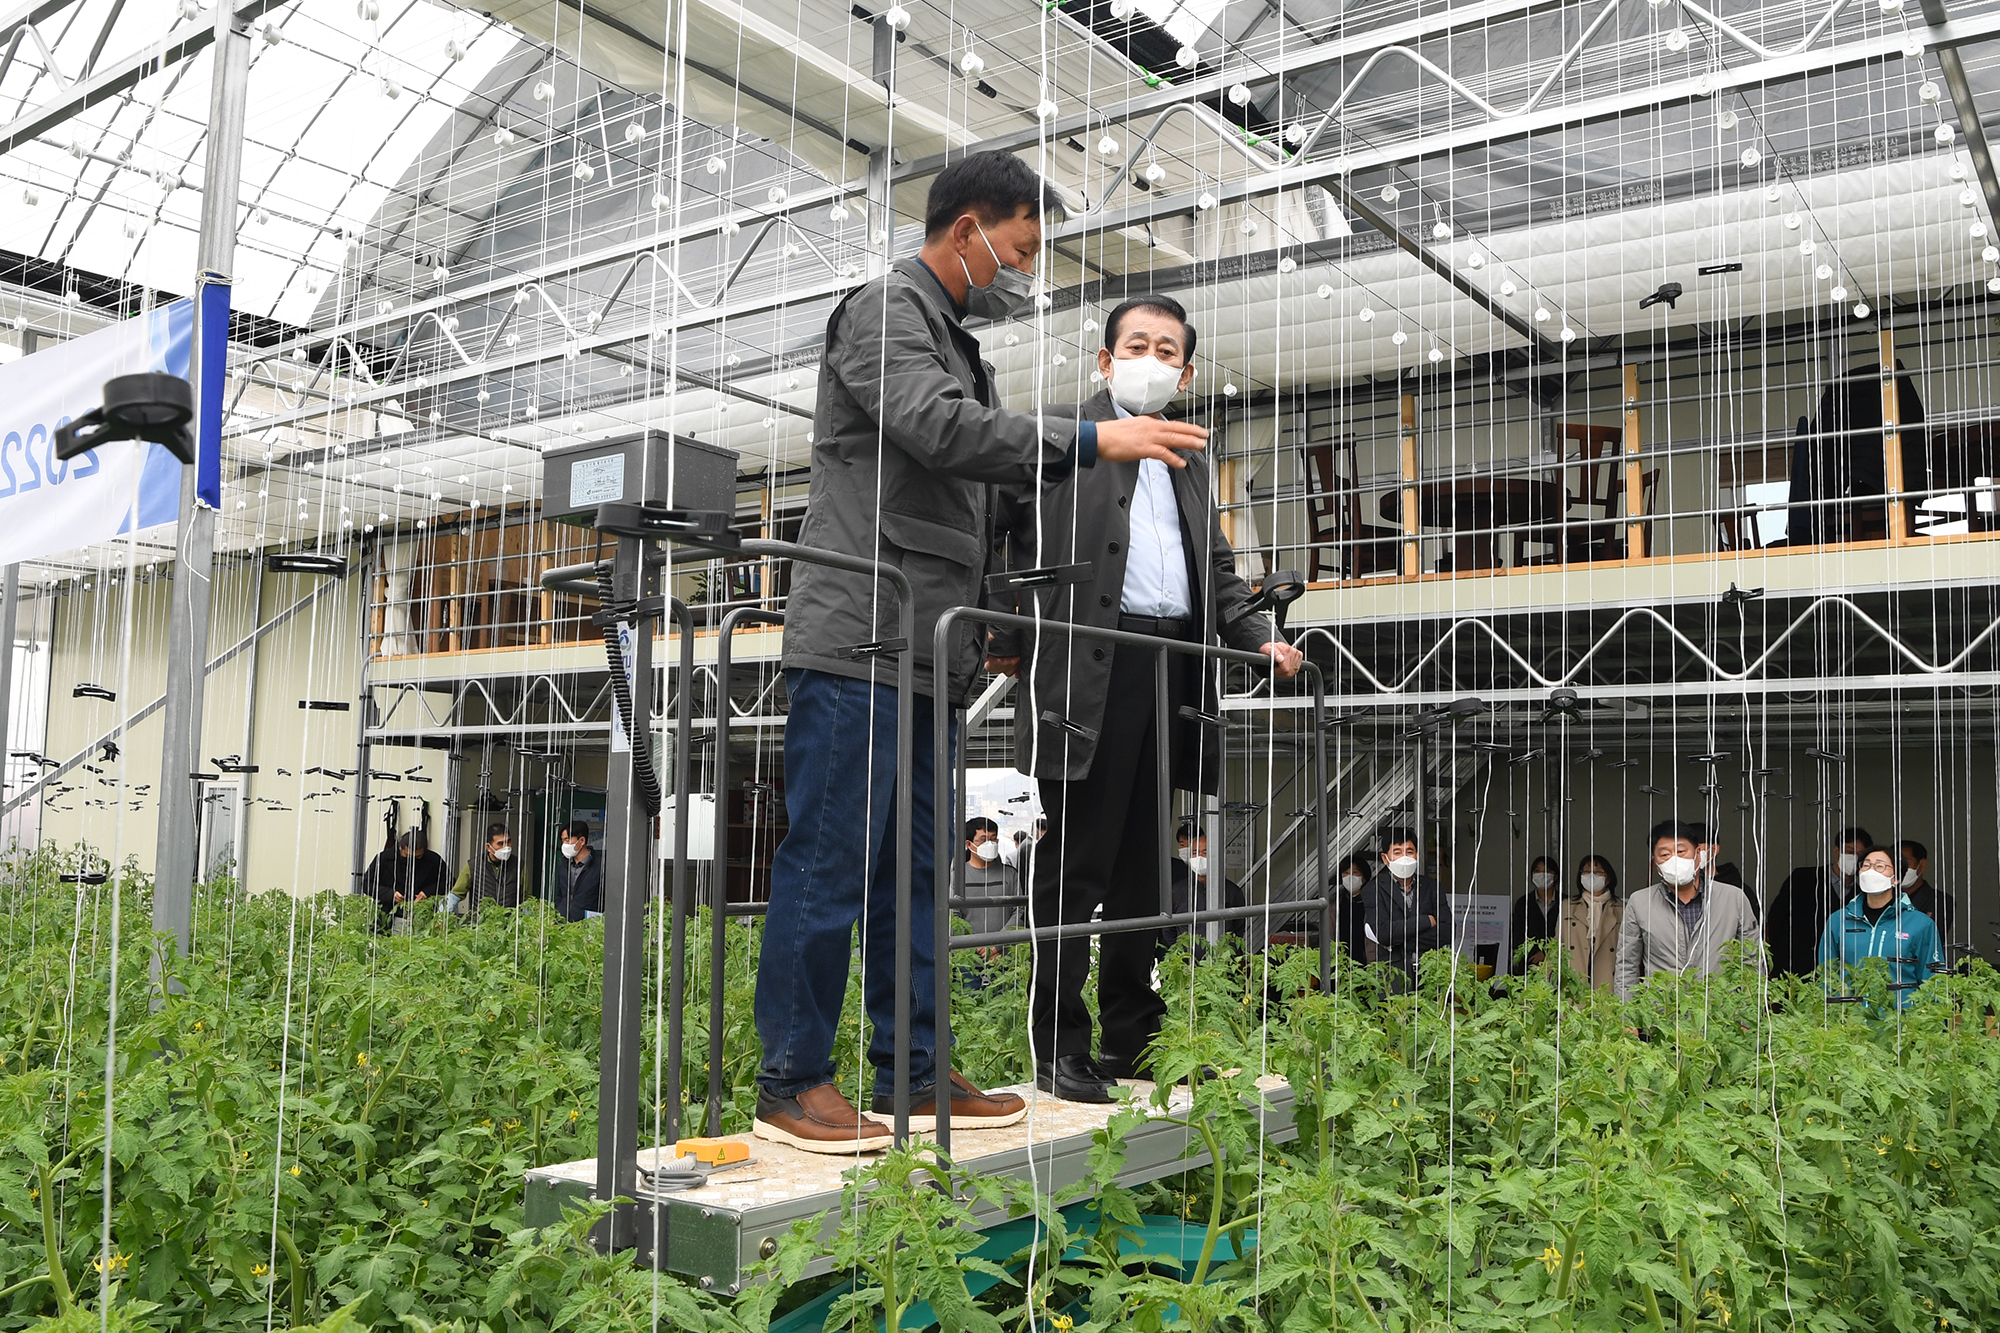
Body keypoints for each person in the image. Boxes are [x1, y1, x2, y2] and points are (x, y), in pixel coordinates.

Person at [753, 151, 1206, 1152]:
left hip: (928, 648)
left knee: (918, 875)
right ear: (967, 230)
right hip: (862, 633)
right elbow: (938, 431)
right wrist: (1087, 443)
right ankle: (789, 1079)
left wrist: (1004, 619)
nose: (1023, 269)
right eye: (1019, 248)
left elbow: (981, 501)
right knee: (831, 862)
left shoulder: (956, 343)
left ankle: (913, 1071)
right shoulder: (885, 311)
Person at [989, 292, 1302, 1103]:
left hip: (1171, 669)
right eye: (1137, 345)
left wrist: (1258, 637)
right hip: (1089, 669)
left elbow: (1219, 572)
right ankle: (1058, 1044)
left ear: (1186, 374)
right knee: (1074, 861)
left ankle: (1134, 1037)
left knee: (1144, 874)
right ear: (1105, 360)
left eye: (1168, 351)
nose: (1152, 361)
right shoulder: (1063, 435)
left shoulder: (1190, 460)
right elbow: (996, 525)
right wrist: (1004, 630)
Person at [1614, 819, 1763, 999]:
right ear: (1655, 862)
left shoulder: (1733, 898)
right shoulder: (1640, 902)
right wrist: (1628, 1014)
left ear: (1698, 854)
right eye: (1665, 855)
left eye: (1681, 852)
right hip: (1662, 1011)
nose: (1674, 860)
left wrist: (1746, 1013)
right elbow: (1627, 966)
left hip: (1720, 1011)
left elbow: (1752, 960)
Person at [1816, 843, 1945, 1006]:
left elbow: (1933, 981)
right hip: (1850, 1018)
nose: (1871, 871)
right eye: (1866, 866)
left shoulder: (1920, 924)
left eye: (1879, 866)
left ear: (1896, 878)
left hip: (1901, 1019)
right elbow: (1827, 975)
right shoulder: (1838, 920)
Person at [1767, 825, 1871, 979]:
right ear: (1836, 851)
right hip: (1794, 970)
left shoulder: (1863, 894)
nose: (1854, 858)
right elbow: (1776, 919)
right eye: (1849, 852)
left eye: (1859, 854)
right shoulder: (1803, 878)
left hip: (1838, 974)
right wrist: (1778, 963)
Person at [1360, 827, 1451, 986]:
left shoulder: (1432, 887)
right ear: (1385, 858)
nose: (1404, 857)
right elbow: (1384, 933)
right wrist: (1425, 921)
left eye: (1409, 852)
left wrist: (1397, 942)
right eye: (1397, 852)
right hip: (1392, 978)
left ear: (1417, 855)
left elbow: (1447, 931)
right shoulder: (1373, 889)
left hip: (1429, 975)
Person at [1165, 822, 1247, 954]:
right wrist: (1181, 954)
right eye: (1195, 853)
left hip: (1222, 962)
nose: (1199, 858)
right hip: (1186, 962)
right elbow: (1168, 930)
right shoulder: (1177, 891)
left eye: (1205, 852)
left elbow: (1238, 929)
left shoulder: (1232, 892)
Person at [1558, 853, 1621, 990]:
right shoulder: (1567, 906)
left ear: (1608, 878)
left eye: (1598, 872)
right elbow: (1557, 947)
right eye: (1586, 871)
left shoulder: (1621, 909)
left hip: (1608, 980)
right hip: (1575, 981)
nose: (1592, 876)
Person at [365, 828, 448, 929]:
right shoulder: (384, 858)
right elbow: (367, 884)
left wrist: (428, 892)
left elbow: (449, 882)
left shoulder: (434, 860)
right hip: (386, 915)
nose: (413, 861)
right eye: (408, 856)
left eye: (418, 857)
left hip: (422, 916)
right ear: (400, 848)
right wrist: (391, 894)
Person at [957, 817, 1018, 935]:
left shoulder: (1010, 874)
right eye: (983, 840)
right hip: (968, 946)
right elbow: (953, 914)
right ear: (969, 844)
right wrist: (970, 941)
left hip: (1006, 944)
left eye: (993, 839)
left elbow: (1019, 910)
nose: (990, 844)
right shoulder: (958, 876)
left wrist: (1001, 940)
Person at [451, 822, 526, 916]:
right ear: (488, 847)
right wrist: (440, 918)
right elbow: (455, 895)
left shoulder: (518, 865)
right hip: (481, 922)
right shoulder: (474, 866)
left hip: (509, 922)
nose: (506, 847)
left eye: (508, 842)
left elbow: (526, 900)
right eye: (500, 843)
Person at [1897, 838, 1954, 958]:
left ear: (1922, 865)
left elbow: (1930, 941)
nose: (1900, 867)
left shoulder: (1941, 901)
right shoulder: (1884, 898)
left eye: (1906, 861)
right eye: (1895, 863)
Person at [1509, 854, 1562, 972]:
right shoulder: (1523, 903)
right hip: (1528, 964)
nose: (1542, 874)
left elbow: (1568, 935)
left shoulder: (1565, 902)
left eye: (1547, 871)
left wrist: (1546, 953)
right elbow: (1517, 935)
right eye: (1538, 871)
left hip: (1558, 964)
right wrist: (1533, 953)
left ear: (1555, 876)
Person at [553, 820, 601, 923]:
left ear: (582, 840)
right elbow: (560, 895)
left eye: (567, 840)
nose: (564, 844)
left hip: (587, 924)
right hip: (563, 923)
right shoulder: (563, 864)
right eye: (563, 840)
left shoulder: (599, 866)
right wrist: (557, 914)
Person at [1332, 852, 1372, 963]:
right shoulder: (1335, 902)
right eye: (1346, 873)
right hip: (1340, 962)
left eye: (1355, 873)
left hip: (1366, 959)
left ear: (1364, 877)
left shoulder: (1372, 901)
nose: (1350, 877)